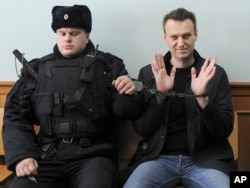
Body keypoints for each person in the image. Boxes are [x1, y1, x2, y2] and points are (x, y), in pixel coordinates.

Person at [2, 5, 144, 188]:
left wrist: (130, 94)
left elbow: (125, 112)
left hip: (93, 156)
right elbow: (14, 115)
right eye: (62, 33)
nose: (67, 38)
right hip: (48, 156)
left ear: (87, 35)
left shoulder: (109, 66)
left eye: (74, 33)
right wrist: (22, 155)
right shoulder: (36, 70)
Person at [120, 8, 235, 188]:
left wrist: (202, 98)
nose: (180, 43)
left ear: (196, 34)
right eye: (174, 37)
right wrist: (160, 95)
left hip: (206, 160)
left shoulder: (215, 74)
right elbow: (142, 129)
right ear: (165, 37)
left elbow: (224, 130)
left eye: (186, 36)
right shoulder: (149, 73)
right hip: (158, 158)